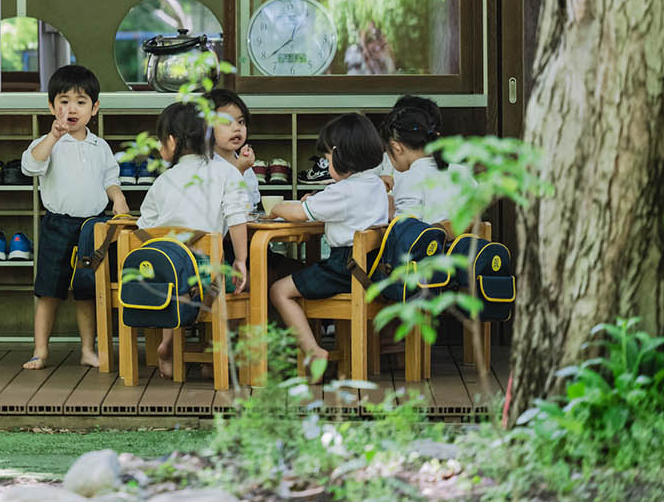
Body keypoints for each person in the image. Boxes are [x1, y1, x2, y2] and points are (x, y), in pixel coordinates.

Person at [21, 64, 127, 370]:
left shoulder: (100, 146)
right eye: (64, 101)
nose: (72, 109)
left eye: (80, 102)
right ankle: (40, 350)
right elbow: (31, 165)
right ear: (52, 106)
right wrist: (53, 137)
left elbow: (111, 179)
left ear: (94, 109)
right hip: (57, 224)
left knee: (87, 291)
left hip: (92, 227)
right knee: (48, 290)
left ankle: (87, 350)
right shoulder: (48, 142)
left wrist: (118, 197)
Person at [267, 113, 389, 378]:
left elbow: (300, 213)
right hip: (371, 270)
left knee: (279, 290)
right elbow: (331, 207)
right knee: (302, 274)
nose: (326, 164)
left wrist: (276, 207)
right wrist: (317, 199)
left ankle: (313, 350)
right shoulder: (375, 185)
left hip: (343, 268)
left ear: (340, 155)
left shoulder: (344, 191)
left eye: (327, 159)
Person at [139, 101, 250, 373]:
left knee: (172, 277)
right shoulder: (226, 172)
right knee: (231, 284)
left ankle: (168, 344)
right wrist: (241, 260)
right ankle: (214, 356)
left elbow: (144, 228)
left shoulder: (163, 180)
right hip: (206, 275)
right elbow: (237, 218)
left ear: (173, 141)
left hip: (163, 277)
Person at [382, 96, 466, 225]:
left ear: (396, 147)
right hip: (466, 243)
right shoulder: (460, 171)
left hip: (429, 245)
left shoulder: (409, 178)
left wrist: (389, 210)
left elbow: (405, 229)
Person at [206, 88, 260, 209]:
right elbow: (217, 209)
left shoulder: (244, 162)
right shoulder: (204, 165)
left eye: (241, 122)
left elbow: (253, 202)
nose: (237, 128)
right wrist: (239, 170)